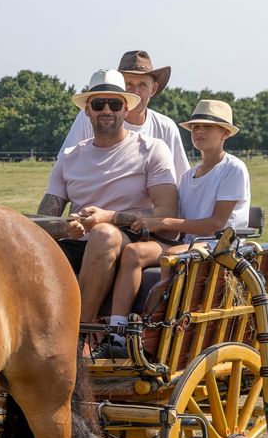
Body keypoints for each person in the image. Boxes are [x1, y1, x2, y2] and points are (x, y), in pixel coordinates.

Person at [97, 100, 249, 359]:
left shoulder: (232, 168)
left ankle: (156, 330)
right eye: (195, 127)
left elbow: (216, 223)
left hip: (220, 245)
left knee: (174, 255)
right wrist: (146, 222)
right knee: (133, 252)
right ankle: (118, 331)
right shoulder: (188, 177)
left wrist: (163, 223)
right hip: (190, 242)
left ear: (225, 133)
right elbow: (181, 221)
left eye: (207, 127)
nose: (199, 131)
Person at [36, 69, 178, 325]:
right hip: (77, 242)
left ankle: (78, 332)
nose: (107, 110)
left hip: (130, 238)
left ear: (125, 108)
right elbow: (46, 216)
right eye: (99, 103)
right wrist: (66, 227)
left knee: (103, 234)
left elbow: (167, 211)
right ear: (87, 110)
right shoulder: (69, 157)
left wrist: (109, 218)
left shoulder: (152, 150)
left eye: (114, 103)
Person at [58, 50, 191, 180]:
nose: (135, 92)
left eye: (142, 85)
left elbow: (182, 180)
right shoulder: (90, 117)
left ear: (154, 89)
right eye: (129, 85)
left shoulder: (166, 127)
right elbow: (63, 167)